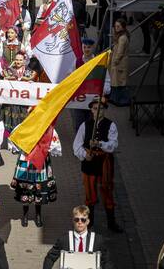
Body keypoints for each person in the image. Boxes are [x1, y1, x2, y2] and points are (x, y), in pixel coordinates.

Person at [73, 96, 122, 232]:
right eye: (95, 108)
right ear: (91, 110)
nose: (98, 111)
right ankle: (90, 222)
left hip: (104, 163)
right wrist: (84, 155)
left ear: (104, 110)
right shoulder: (85, 125)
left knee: (107, 191)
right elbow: (76, 145)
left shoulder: (111, 125)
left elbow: (113, 145)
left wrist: (100, 144)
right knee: (90, 194)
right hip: (89, 163)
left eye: (101, 108)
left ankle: (112, 223)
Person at [10, 123, 61, 227]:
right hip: (26, 160)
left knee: (39, 188)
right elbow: (13, 140)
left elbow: (55, 144)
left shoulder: (47, 128)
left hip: (40, 160)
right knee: (25, 188)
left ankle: (38, 215)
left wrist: (45, 147)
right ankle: (25, 215)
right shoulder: (23, 126)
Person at [43, 205, 114, 269]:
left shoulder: (97, 240)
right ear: (73, 221)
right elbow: (50, 257)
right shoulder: (65, 239)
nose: (80, 222)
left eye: (83, 220)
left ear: (88, 221)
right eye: (77, 219)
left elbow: (106, 261)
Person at [109, 18, 130, 106]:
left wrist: (115, 62)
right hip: (119, 63)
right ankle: (116, 99)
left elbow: (120, 52)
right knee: (117, 82)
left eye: (118, 26)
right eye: (115, 26)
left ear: (123, 27)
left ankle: (121, 100)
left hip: (119, 64)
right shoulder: (122, 36)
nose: (116, 28)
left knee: (119, 83)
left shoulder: (122, 38)